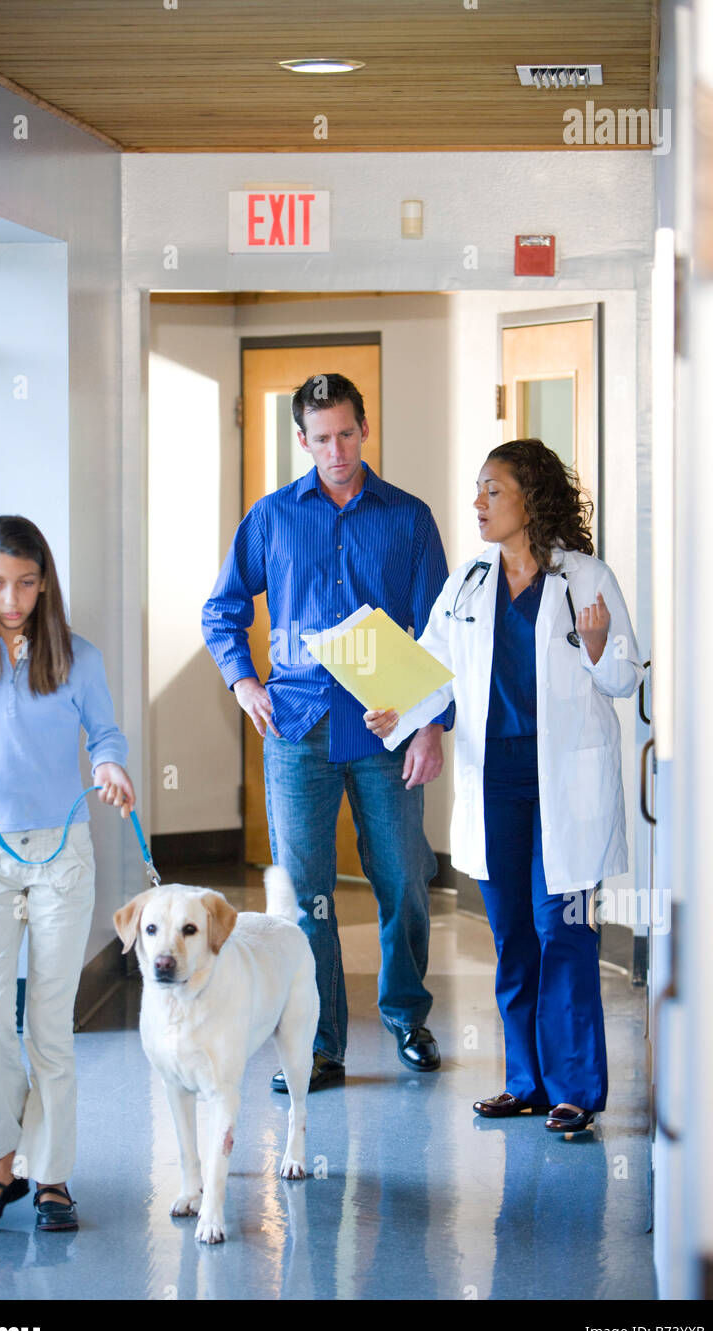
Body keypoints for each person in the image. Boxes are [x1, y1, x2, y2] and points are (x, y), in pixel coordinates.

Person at [365, 438, 644, 1132]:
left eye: (493, 490)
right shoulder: (469, 583)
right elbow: (433, 669)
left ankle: (575, 1086)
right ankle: (526, 1082)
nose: (478, 503)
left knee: (565, 932)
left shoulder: (586, 579)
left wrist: (602, 647)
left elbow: (625, 679)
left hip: (564, 785)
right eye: (478, 491)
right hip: (495, 781)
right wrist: (400, 707)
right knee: (514, 935)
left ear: (531, 497)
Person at [202, 373, 454, 1088]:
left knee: (404, 878)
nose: (337, 451)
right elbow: (221, 611)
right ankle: (319, 1042)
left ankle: (407, 1016)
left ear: (364, 428)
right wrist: (244, 681)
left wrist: (430, 724)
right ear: (302, 441)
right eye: (321, 439)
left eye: (347, 434)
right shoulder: (273, 517)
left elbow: (441, 635)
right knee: (307, 892)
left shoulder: (408, 519)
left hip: (387, 727)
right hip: (297, 727)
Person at [0, 515, 135, 1229]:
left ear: (44, 581)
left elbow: (105, 732)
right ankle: (0, 1167)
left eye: (23, 583)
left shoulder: (79, 658)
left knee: (49, 1021)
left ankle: (52, 1177)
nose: (10, 599)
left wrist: (110, 763)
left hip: (61, 854)